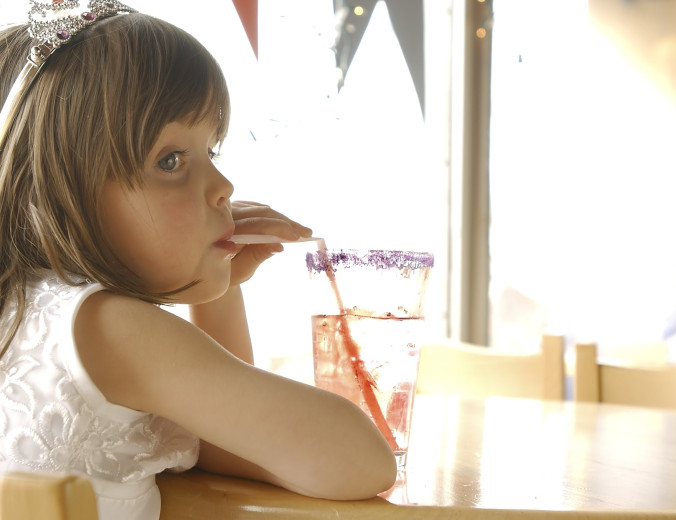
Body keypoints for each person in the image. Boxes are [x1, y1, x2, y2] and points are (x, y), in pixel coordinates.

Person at [0, 2, 397, 519]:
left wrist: (221, 287)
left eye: (212, 151)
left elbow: (236, 444)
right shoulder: (111, 327)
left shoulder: (20, 308)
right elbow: (359, 461)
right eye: (171, 161)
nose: (224, 188)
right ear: (56, 190)